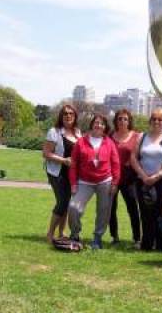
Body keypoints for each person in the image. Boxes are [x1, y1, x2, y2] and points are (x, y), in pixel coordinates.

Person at [68, 113, 120, 250]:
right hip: (84, 182)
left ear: (105, 127)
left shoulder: (109, 142)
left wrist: (115, 183)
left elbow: (115, 164)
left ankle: (97, 238)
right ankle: (75, 234)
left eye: (102, 123)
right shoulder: (81, 142)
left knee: (103, 211)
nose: (98, 125)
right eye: (96, 122)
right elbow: (73, 164)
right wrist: (73, 183)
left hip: (105, 182)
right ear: (92, 125)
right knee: (73, 208)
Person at [130, 108, 162, 251]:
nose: (157, 122)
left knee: (161, 213)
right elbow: (133, 158)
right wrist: (144, 176)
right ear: (150, 121)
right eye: (154, 119)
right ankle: (147, 243)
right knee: (145, 212)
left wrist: (158, 175)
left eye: (160, 119)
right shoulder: (141, 137)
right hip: (143, 181)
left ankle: (161, 243)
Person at [42, 105, 81, 242]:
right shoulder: (54, 132)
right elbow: (46, 153)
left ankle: (61, 233)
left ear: (75, 116)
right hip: (56, 173)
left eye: (71, 113)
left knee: (67, 203)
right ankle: (50, 234)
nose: (68, 116)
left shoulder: (77, 132)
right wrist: (64, 160)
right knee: (62, 201)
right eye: (65, 113)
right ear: (61, 116)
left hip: (71, 175)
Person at [110, 109, 141, 249]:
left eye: (125, 119)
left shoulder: (137, 136)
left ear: (129, 121)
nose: (122, 121)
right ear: (116, 121)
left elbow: (141, 155)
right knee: (111, 208)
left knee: (133, 208)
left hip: (130, 179)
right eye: (120, 119)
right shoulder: (110, 136)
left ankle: (137, 238)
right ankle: (114, 237)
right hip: (112, 178)